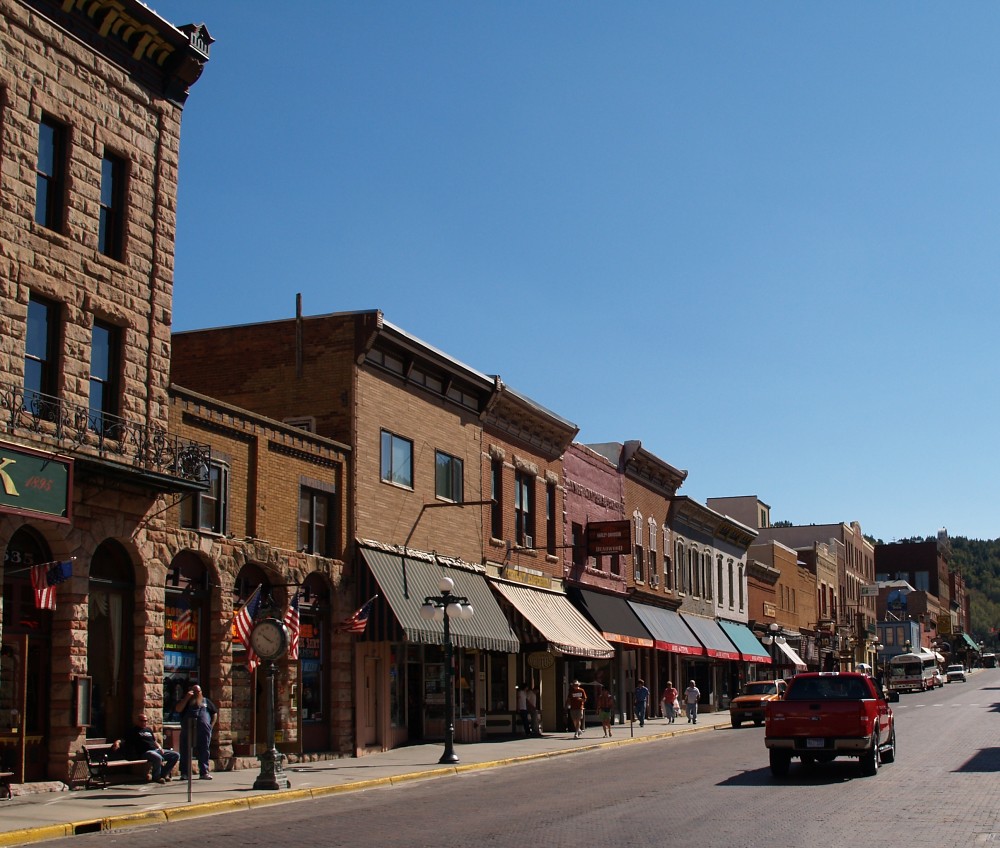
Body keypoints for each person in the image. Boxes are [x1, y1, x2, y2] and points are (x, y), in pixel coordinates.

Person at [122, 713, 179, 783]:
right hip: (145, 752)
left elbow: (154, 741)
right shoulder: (133, 731)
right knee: (158, 758)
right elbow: (124, 739)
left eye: (145, 721)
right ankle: (156, 777)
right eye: (142, 721)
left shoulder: (148, 729)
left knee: (175, 755)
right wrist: (118, 742)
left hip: (156, 750)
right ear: (137, 721)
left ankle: (163, 775)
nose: (144, 722)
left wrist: (160, 747)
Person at [175, 684, 217, 779]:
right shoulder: (186, 702)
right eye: (194, 691)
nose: (196, 694)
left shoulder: (206, 701)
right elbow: (178, 709)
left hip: (203, 731)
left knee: (204, 750)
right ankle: (185, 773)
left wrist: (211, 726)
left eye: (198, 692)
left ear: (201, 692)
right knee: (185, 751)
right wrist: (186, 698)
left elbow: (214, 713)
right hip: (188, 729)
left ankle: (204, 772)